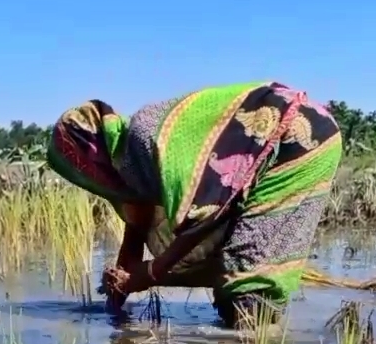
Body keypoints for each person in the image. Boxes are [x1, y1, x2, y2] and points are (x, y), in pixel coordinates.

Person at [46, 81, 343, 328]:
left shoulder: (144, 138)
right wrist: (118, 293)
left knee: (248, 285)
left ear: (91, 155)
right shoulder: (131, 169)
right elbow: (135, 236)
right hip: (291, 135)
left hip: (296, 135)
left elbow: (204, 214)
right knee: (235, 291)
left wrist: (150, 274)